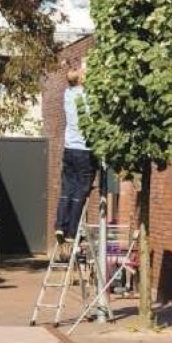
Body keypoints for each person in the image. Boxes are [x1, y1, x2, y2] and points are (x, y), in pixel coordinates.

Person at [54, 67, 97, 244]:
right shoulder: (89, 96)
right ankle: (71, 232)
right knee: (80, 191)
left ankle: (59, 226)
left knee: (67, 189)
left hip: (69, 149)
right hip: (85, 151)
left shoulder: (68, 94)